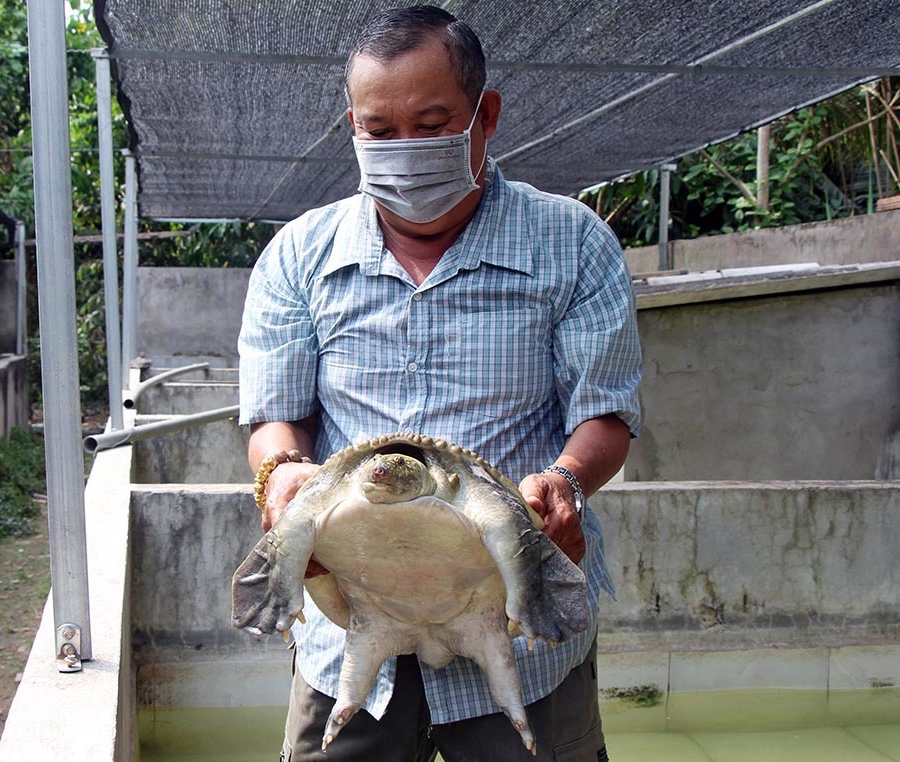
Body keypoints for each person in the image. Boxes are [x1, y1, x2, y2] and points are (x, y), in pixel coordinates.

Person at [238, 6, 642, 761]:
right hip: (355, 617)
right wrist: (281, 472)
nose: (404, 149)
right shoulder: (299, 254)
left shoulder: (573, 242)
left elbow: (607, 414)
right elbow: (275, 417)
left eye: (431, 124)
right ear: (351, 126)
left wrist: (565, 480)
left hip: (519, 625)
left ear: (484, 116)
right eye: (378, 131)